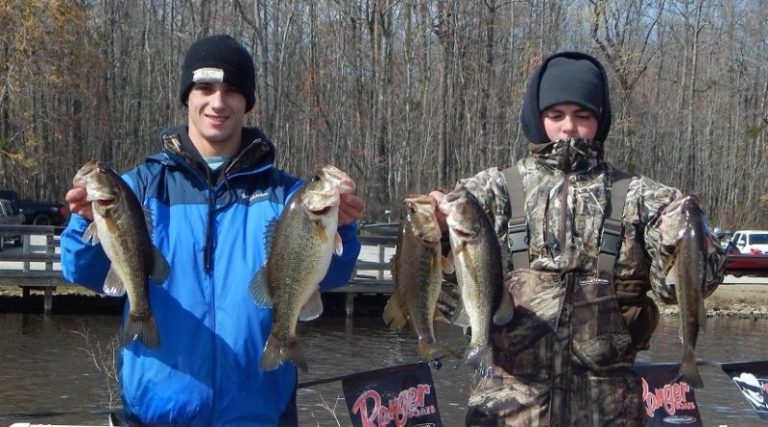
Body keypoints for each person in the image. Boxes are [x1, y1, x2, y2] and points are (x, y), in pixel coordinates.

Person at [60, 34, 363, 426]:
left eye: (232, 90)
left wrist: (345, 228)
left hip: (260, 417)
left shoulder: (289, 196)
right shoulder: (137, 189)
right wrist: (85, 220)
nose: (218, 102)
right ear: (187, 96)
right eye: (205, 88)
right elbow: (81, 271)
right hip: (156, 417)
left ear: (246, 103)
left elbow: (334, 274)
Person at [430, 51, 725, 425]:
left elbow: (684, 289)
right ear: (536, 118)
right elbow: (443, 301)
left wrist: (688, 238)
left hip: (610, 414)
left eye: (582, 115)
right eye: (556, 115)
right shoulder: (488, 193)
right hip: (505, 414)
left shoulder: (643, 198)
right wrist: (434, 237)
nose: (568, 127)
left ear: (600, 120)